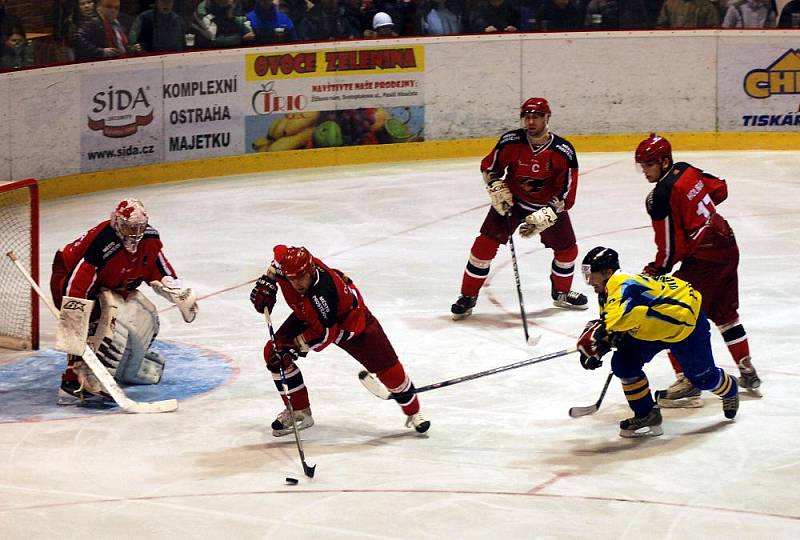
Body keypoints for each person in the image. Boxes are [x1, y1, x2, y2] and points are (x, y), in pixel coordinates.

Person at [633, 133, 760, 409]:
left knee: (668, 312)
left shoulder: (660, 196)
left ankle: (687, 380)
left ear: (665, 162)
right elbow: (720, 189)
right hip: (726, 242)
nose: (644, 170)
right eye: (641, 165)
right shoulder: (687, 170)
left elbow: (670, 248)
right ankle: (746, 367)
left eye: (649, 164)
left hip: (704, 260)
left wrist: (656, 271)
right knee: (725, 313)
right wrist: (697, 211)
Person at [250, 245, 430, 437]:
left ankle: (414, 412)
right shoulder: (285, 264)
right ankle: (300, 411)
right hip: (308, 314)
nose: (297, 284)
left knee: (389, 370)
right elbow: (275, 262)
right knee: (274, 353)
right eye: (291, 278)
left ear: (310, 270)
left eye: (300, 277)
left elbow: (326, 334)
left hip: (350, 323)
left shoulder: (323, 292)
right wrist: (267, 283)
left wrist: (295, 347)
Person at [577, 246, 739, 438]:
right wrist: (599, 346)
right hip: (650, 330)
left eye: (592, 276)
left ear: (608, 272)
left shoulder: (623, 285)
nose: (589, 282)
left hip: (685, 328)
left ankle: (730, 389)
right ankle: (646, 414)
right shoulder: (606, 291)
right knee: (623, 363)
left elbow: (609, 326)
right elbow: (612, 327)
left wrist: (598, 342)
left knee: (704, 379)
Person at [50, 199, 198, 405]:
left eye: (139, 227)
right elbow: (77, 285)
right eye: (129, 227)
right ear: (117, 222)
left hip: (107, 281)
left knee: (139, 314)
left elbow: (159, 266)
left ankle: (116, 366)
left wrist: (175, 289)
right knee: (93, 321)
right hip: (67, 277)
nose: (134, 233)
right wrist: (74, 315)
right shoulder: (102, 244)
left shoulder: (149, 238)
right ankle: (73, 382)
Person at [451, 97, 587, 320]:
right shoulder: (511, 141)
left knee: (568, 251)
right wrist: (495, 184)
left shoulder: (563, 151)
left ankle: (561, 293)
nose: (531, 122)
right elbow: (490, 167)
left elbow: (566, 193)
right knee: (483, 247)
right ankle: (467, 297)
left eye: (536, 117)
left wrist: (548, 214)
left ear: (547, 118)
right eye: (527, 117)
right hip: (511, 202)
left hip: (547, 206)